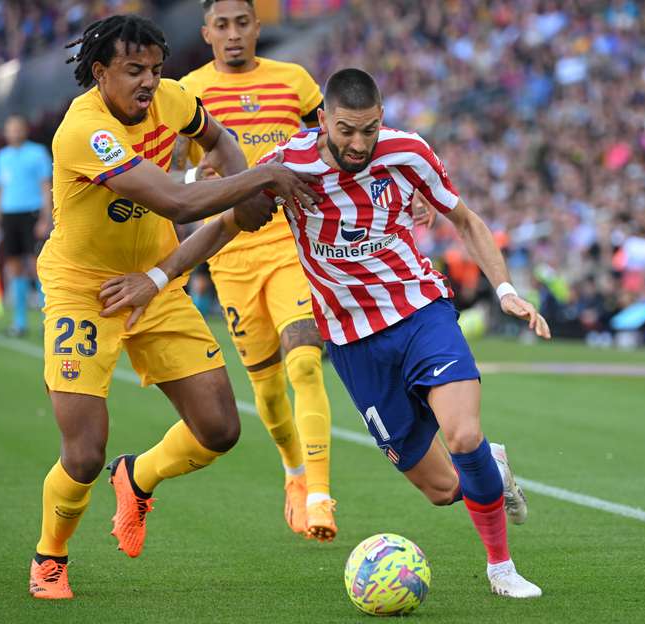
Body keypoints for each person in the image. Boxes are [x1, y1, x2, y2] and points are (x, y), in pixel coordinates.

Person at [105, 68, 552, 598]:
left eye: (369, 130)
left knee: (462, 435)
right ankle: (492, 473)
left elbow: (467, 219)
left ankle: (501, 568)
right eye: (346, 131)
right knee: (443, 488)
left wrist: (505, 291)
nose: (359, 144)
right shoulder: (288, 165)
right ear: (323, 119)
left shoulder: (407, 151)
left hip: (419, 313)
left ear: (381, 120)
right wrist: (157, 279)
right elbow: (224, 226)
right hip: (353, 343)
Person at [28, 14, 318, 600]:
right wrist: (263, 179)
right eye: (134, 71)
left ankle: (136, 478)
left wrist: (248, 190)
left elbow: (220, 141)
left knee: (219, 427)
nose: (148, 82)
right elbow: (176, 201)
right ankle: (50, 557)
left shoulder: (174, 99)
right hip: (84, 291)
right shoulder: (83, 130)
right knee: (83, 455)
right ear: (99, 72)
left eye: (156, 70)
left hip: (155, 283)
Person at [179, 0, 336, 541]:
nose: (233, 34)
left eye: (241, 23)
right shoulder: (188, 91)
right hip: (231, 252)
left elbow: (338, 141)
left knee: (306, 366)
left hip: (293, 243)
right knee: (267, 390)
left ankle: (320, 494)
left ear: (257, 27)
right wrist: (193, 179)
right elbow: (172, 173)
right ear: (206, 33)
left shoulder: (294, 81)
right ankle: (294, 472)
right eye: (221, 25)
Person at [0, 115, 53, 337]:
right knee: (15, 266)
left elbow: (46, 186)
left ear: (25, 130)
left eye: (18, 128)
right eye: (10, 128)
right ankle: (19, 322)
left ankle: (49, 320)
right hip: (9, 214)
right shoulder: (1, 157)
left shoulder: (37, 153)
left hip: (32, 213)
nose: (14, 132)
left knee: (38, 266)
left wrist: (46, 218)